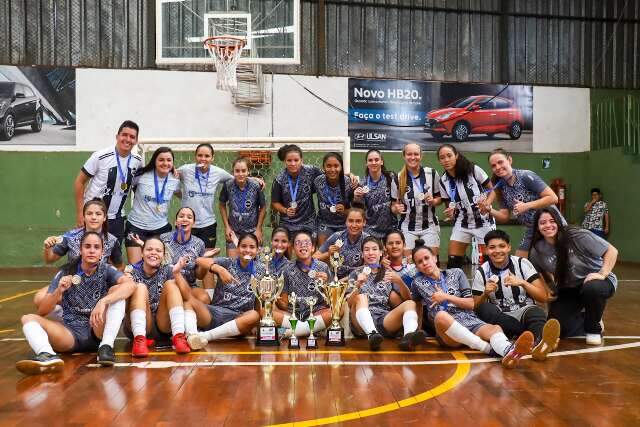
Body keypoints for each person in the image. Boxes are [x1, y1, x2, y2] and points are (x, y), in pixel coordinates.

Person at [15, 232, 136, 375]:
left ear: (102, 252)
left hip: (96, 329)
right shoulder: (65, 271)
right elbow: (42, 311)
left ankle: (106, 346)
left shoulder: (107, 270)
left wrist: (103, 301)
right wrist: (58, 291)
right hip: (70, 334)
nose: (91, 250)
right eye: (87, 246)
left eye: (96, 247)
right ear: (80, 250)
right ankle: (47, 355)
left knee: (118, 290)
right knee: (27, 318)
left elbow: (130, 286)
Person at [410, 243, 535, 368]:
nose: (425, 263)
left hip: (469, 320)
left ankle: (508, 351)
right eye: (420, 262)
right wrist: (417, 330)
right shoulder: (417, 283)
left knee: (495, 328)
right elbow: (417, 306)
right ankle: (487, 349)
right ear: (417, 267)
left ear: (435, 258)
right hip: (447, 332)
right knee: (441, 316)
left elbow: (470, 304)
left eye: (426, 258)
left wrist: (446, 297)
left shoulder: (457, 273)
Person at [528, 208, 618, 345]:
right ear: (537, 227)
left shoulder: (576, 235)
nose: (548, 225)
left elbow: (612, 251)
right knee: (558, 328)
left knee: (592, 289)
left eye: (552, 221)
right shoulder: (537, 250)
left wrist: (602, 273)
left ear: (558, 222)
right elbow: (540, 272)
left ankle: (593, 328)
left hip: (596, 282)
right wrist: (551, 288)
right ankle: (589, 316)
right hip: (569, 288)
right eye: (543, 223)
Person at [472, 230, 560, 361]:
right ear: (486, 250)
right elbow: (474, 305)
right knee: (484, 309)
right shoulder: (482, 271)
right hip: (502, 317)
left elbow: (542, 297)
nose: (497, 251)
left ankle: (533, 343)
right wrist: (485, 293)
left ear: (509, 247)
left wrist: (523, 283)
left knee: (536, 312)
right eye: (492, 247)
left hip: (525, 311)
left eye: (502, 246)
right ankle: (539, 340)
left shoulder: (522, 264)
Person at [37, 199, 123, 319]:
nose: (93, 217)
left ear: (104, 217)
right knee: (39, 299)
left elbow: (119, 266)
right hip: (72, 286)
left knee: (119, 291)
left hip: (97, 289)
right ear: (83, 216)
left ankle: (100, 317)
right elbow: (50, 260)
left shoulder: (112, 240)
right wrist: (47, 248)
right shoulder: (70, 237)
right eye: (89, 213)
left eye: (98, 214)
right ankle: (69, 318)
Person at [187, 233, 264, 349]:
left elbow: (260, 301)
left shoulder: (262, 270)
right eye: (243, 246)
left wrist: (256, 325)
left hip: (238, 319)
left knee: (254, 315)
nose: (247, 250)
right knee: (187, 302)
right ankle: (192, 335)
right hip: (214, 313)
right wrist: (218, 269)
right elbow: (199, 260)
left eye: (252, 247)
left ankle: (204, 336)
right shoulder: (228, 263)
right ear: (238, 248)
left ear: (257, 250)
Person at [348, 237, 425, 351]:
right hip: (360, 324)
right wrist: (357, 285)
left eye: (374, 249)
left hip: (383, 319)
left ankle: (408, 337)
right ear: (362, 254)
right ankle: (371, 334)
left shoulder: (388, 273)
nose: (371, 253)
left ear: (381, 253)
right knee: (361, 297)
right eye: (367, 250)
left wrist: (399, 281)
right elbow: (349, 303)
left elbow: (407, 299)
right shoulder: (355, 273)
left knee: (410, 303)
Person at [74, 120, 143, 245]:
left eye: (132, 137)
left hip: (116, 219)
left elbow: (139, 186)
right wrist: (80, 214)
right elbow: (79, 181)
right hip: (94, 217)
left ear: (136, 141)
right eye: (124, 135)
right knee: (90, 256)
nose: (128, 139)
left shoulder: (137, 162)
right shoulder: (100, 156)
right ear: (117, 137)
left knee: (113, 260)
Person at [482, 148, 561, 256]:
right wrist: (489, 210)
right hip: (532, 229)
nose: (498, 167)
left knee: (558, 261)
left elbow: (553, 198)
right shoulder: (500, 187)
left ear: (509, 160)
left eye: (500, 162)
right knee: (520, 261)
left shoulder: (525, 176)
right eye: (494, 165)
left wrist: (526, 206)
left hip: (551, 225)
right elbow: (504, 217)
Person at [125, 238, 192, 357]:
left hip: (163, 325)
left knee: (171, 284)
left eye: (158, 250)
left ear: (163, 255)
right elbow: (123, 305)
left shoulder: (169, 269)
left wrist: (177, 274)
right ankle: (139, 340)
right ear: (142, 252)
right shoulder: (131, 271)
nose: (153, 253)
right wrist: (126, 283)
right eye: (149, 249)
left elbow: (188, 297)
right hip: (139, 327)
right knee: (140, 287)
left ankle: (179, 337)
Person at [437, 144, 495, 269]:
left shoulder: (473, 169)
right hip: (462, 222)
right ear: (439, 161)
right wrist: (450, 212)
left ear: (456, 155)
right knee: (453, 261)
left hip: (483, 219)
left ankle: (490, 287)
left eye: (449, 156)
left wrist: (487, 203)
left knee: (489, 261)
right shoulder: (443, 181)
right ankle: (455, 288)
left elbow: (492, 190)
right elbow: (449, 205)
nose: (446, 160)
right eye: (442, 158)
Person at [125, 147, 181, 264]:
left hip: (160, 229)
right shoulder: (141, 175)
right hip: (136, 227)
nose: (165, 163)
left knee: (159, 269)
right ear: (154, 161)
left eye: (168, 160)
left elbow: (180, 194)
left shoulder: (175, 180)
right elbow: (124, 185)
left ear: (172, 163)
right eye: (161, 160)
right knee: (136, 268)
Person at [272, 231, 332, 337]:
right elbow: (284, 305)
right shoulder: (286, 270)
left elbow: (330, 302)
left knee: (336, 311)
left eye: (306, 242)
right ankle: (309, 330)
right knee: (265, 312)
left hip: (316, 313)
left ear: (313, 248)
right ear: (294, 249)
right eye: (298, 243)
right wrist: (274, 296)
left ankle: (289, 333)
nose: (302, 245)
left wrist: (326, 284)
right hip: (293, 314)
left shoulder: (323, 267)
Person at [177, 143, 233, 249]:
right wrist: (183, 196)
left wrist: (254, 179)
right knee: (184, 259)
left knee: (206, 260)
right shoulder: (185, 170)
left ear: (212, 158)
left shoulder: (218, 172)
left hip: (208, 224)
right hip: (186, 223)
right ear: (195, 156)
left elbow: (237, 179)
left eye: (207, 156)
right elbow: (169, 177)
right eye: (200, 155)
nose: (203, 159)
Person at [159, 207, 217, 304]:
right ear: (175, 222)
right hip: (166, 285)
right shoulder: (163, 238)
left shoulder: (199, 243)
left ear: (193, 223)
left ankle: (186, 311)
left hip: (188, 286)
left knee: (204, 298)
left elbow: (199, 276)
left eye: (189, 217)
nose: (185, 219)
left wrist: (204, 260)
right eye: (181, 216)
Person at [393, 143, 441, 256]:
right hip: (407, 227)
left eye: (416, 154)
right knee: (408, 264)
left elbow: (440, 198)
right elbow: (393, 206)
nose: (413, 157)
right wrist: (396, 209)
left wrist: (433, 201)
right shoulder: (398, 178)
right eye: (409, 154)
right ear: (404, 156)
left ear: (421, 156)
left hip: (429, 226)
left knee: (431, 263)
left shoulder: (432, 173)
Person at [271, 144, 324, 237]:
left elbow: (329, 176)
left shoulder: (311, 171)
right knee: (285, 247)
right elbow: (275, 202)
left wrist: (347, 175)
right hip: (287, 223)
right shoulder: (279, 179)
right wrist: (285, 210)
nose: (293, 163)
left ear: (301, 160)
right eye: (289, 160)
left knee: (308, 247)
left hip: (308, 222)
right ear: (284, 161)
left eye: (296, 160)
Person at [219, 157, 266, 256]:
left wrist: (258, 229)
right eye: (237, 171)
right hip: (234, 232)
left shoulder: (256, 186)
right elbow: (222, 204)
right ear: (233, 172)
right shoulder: (228, 185)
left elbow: (263, 207)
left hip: (252, 231)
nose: (240, 174)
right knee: (233, 265)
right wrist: (227, 227)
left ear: (248, 171)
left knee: (256, 265)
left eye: (243, 171)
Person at [352, 149, 398, 239]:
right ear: (366, 163)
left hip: (391, 228)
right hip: (369, 230)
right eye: (370, 160)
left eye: (376, 160)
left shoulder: (391, 178)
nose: (373, 162)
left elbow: (397, 201)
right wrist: (356, 198)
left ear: (381, 162)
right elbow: (360, 208)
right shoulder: (362, 183)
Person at [315, 208, 369, 279]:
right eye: (350, 221)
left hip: (357, 279)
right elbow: (313, 258)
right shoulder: (337, 236)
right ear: (346, 222)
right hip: (336, 278)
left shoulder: (368, 240)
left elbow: (373, 265)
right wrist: (328, 254)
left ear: (364, 222)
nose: (354, 225)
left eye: (358, 221)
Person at [314, 152, 353, 246]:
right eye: (328, 166)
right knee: (323, 251)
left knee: (343, 253)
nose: (332, 169)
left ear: (341, 167)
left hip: (344, 224)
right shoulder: (318, 181)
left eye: (336, 166)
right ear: (323, 167)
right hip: (324, 223)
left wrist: (345, 211)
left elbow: (358, 210)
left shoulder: (348, 182)